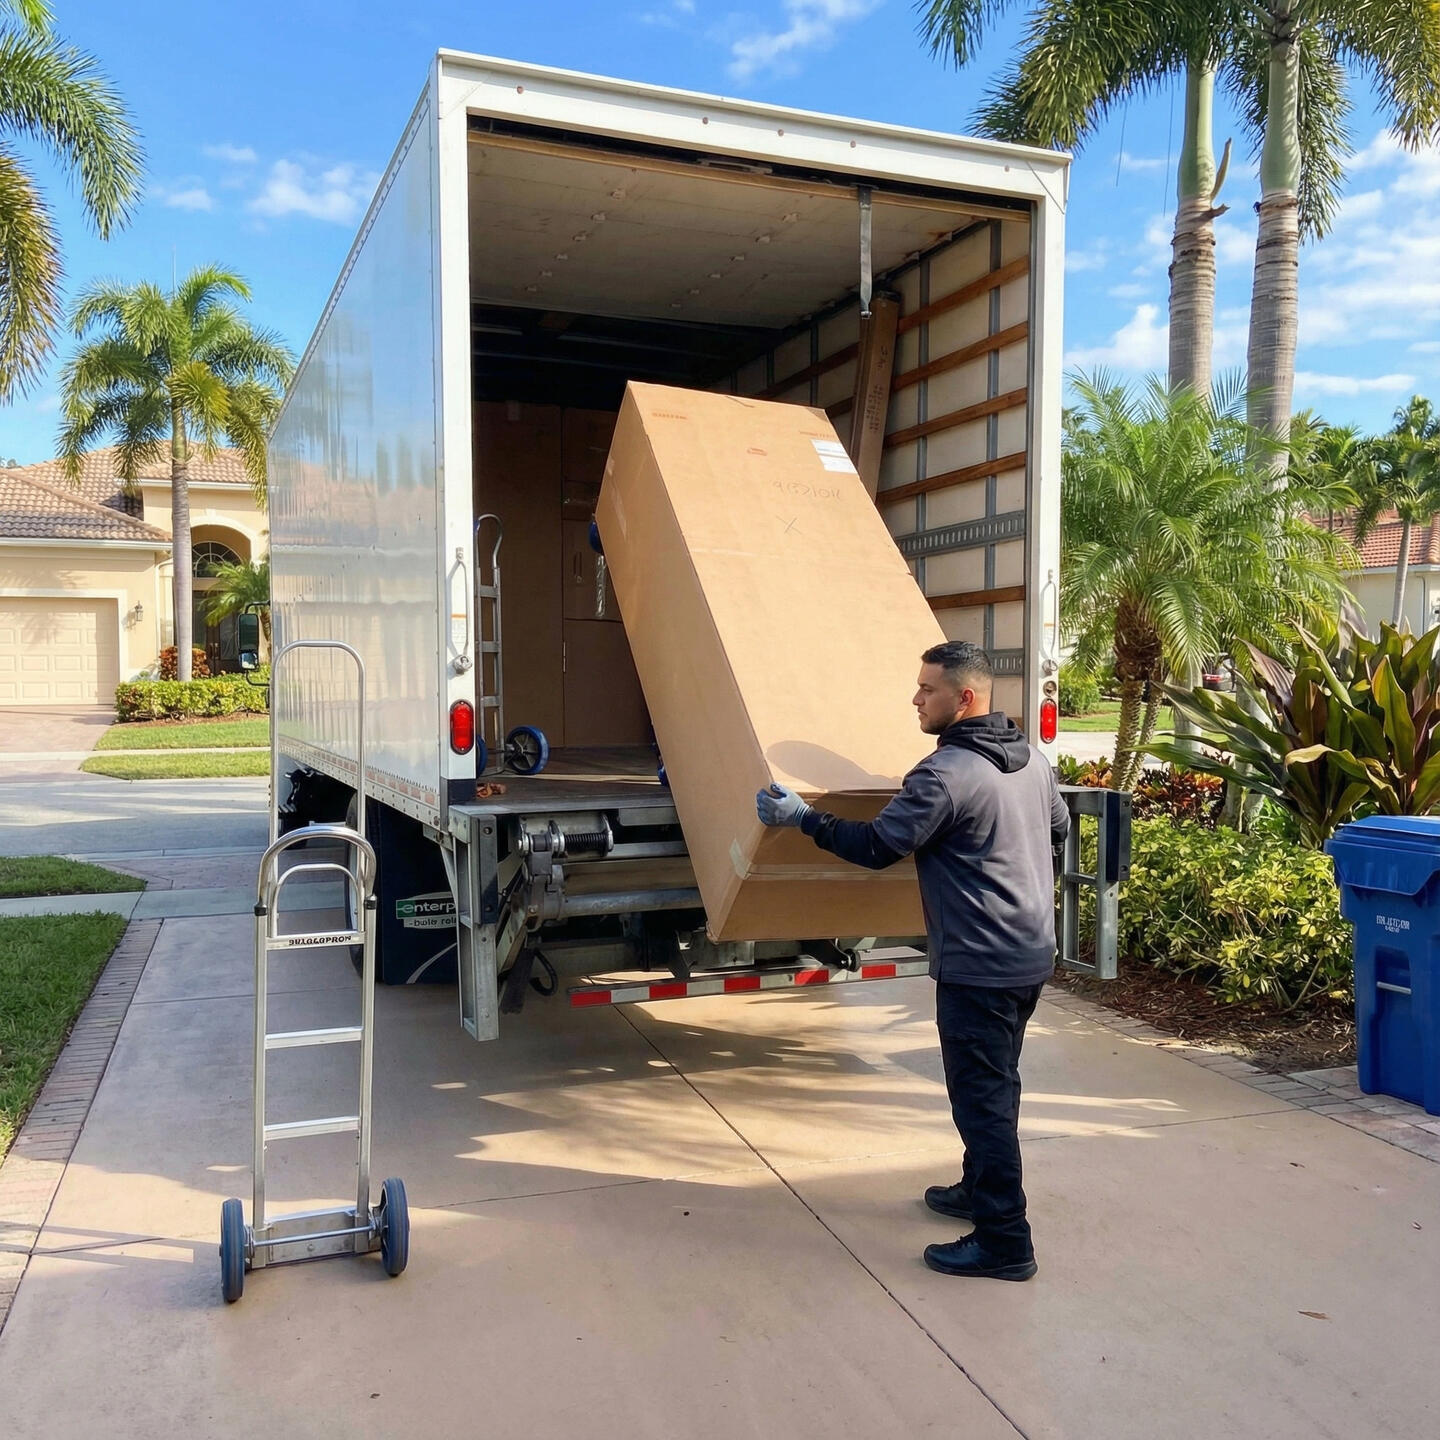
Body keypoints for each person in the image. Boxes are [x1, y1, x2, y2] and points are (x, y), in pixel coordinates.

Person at [755, 640, 1069, 1281]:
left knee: (981, 1101)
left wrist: (803, 817)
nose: (916, 699)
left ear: (965, 698)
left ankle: (1005, 1242)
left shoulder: (945, 774)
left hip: (978, 964)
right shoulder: (1031, 761)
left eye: (928, 689)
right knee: (997, 1085)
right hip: (1029, 953)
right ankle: (976, 1190)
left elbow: (877, 846)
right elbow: (1059, 829)